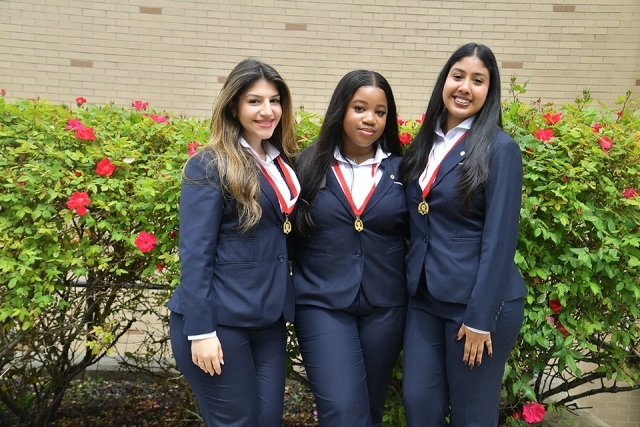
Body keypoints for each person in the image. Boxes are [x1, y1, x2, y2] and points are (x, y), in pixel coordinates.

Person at [399, 43, 527, 427]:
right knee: (419, 402)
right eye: (458, 76)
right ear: (445, 80)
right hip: (426, 295)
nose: (465, 87)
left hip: (476, 304)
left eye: (478, 80)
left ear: (490, 90)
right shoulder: (426, 142)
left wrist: (480, 318)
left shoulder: (501, 150)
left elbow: (500, 239)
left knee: (472, 415)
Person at [167, 58, 299, 427]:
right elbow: (195, 253)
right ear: (233, 106)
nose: (267, 111)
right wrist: (201, 331)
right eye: (255, 101)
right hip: (220, 322)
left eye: (275, 101)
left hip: (268, 320)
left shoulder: (281, 162)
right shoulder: (210, 164)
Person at [292, 70, 408, 427]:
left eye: (380, 111)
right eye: (360, 108)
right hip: (322, 302)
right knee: (343, 410)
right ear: (341, 109)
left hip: (385, 305)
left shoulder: (403, 170)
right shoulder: (305, 166)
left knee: (369, 409)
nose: (370, 118)